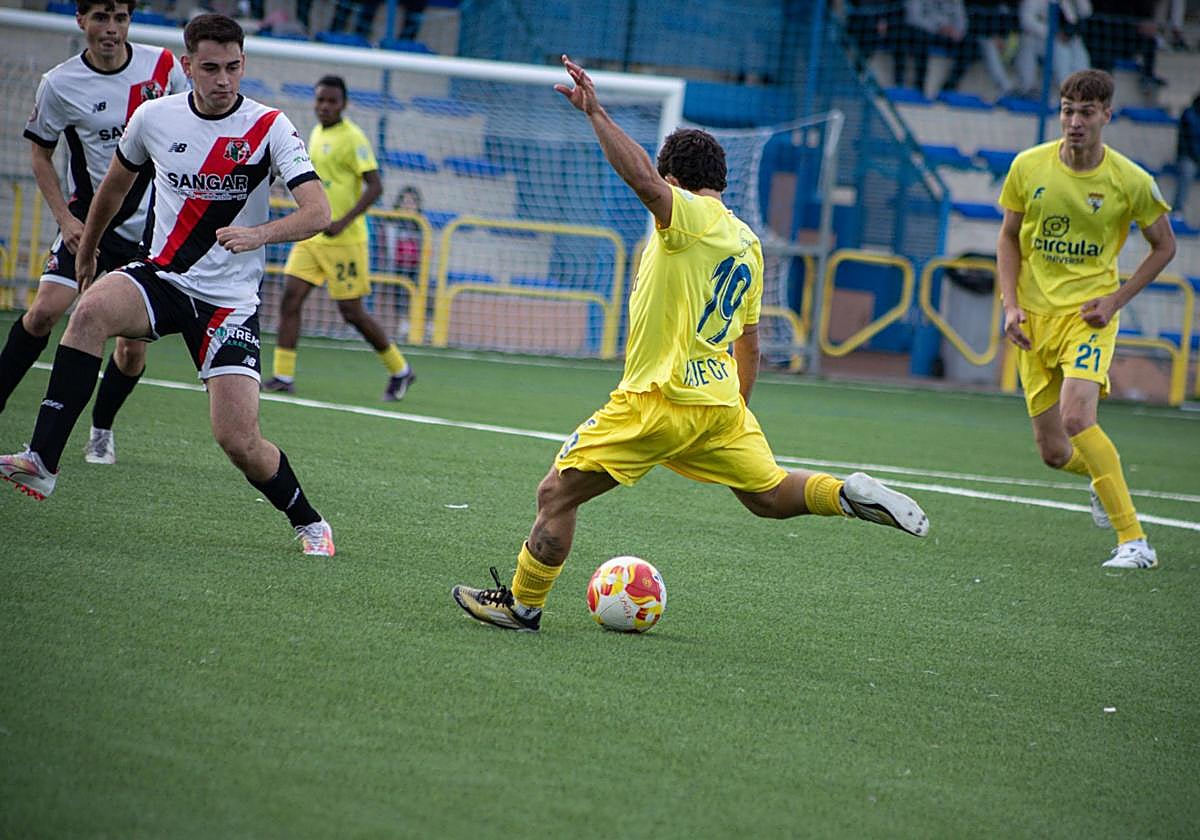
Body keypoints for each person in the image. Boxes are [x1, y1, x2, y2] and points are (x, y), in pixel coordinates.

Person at [451, 55, 931, 633]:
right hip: (717, 401)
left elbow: (641, 181)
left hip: (657, 400)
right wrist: (735, 410)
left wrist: (596, 113)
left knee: (555, 494)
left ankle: (522, 607)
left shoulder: (689, 218)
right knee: (767, 493)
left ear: (676, 181)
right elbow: (750, 339)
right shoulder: (746, 240)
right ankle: (845, 494)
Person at [0, 13, 337, 557]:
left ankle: (309, 521)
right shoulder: (153, 118)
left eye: (232, 67)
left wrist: (260, 233)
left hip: (228, 303)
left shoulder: (270, 126)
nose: (223, 79)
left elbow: (319, 212)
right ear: (188, 66)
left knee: (238, 441)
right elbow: (113, 187)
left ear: (243, 64)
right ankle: (42, 460)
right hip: (161, 277)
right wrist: (85, 249)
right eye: (210, 68)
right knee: (87, 313)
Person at [996, 69, 1175, 570]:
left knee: (1078, 418)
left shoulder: (1130, 180)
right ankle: (1103, 477)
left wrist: (1116, 300)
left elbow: (1164, 246)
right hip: (1033, 320)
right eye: (1067, 110)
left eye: (1086, 112)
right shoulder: (1027, 168)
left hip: (1088, 318)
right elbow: (1008, 237)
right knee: (1053, 452)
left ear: (1106, 116)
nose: (1075, 121)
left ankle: (1134, 541)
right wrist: (1011, 306)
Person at [0, 0, 188, 466]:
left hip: (150, 229)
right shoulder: (60, 84)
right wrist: (66, 219)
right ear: (81, 20)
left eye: (120, 18)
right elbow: (41, 155)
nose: (110, 29)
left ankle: (101, 429)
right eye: (100, 18)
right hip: (87, 223)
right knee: (45, 311)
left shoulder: (161, 67)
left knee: (129, 351)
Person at [261, 76, 415, 401]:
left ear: (344, 104)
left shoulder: (353, 138)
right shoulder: (315, 134)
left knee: (351, 312)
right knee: (290, 299)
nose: (325, 107)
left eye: (331, 101)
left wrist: (342, 221)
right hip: (313, 236)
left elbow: (375, 186)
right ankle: (283, 376)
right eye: (320, 101)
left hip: (344, 240)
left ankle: (400, 370)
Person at [1014, 0, 1092, 97]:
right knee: (1029, 44)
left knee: (1079, 54)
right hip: (1041, 39)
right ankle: (1027, 87)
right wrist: (1053, 33)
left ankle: (1083, 89)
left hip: (1068, 38)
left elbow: (1086, 11)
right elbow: (1026, 20)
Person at [894, 0, 968, 96]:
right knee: (917, 39)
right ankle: (918, 88)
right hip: (924, 31)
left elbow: (963, 21)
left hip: (949, 35)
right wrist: (938, 27)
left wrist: (956, 31)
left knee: (972, 46)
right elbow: (913, 17)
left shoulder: (955, 2)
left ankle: (948, 88)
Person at [1172, 93, 1200, 223]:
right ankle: (1177, 211)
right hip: (1188, 156)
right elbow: (1189, 141)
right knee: (1187, 171)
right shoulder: (1190, 115)